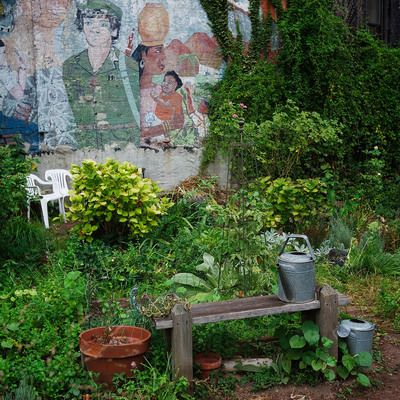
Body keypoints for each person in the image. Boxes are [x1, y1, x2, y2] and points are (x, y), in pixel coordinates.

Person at [63, 0, 140, 149]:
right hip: (85, 146)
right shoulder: (70, 66)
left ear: (114, 30)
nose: (94, 29)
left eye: (103, 24)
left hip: (121, 145)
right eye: (89, 23)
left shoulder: (129, 66)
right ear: (83, 27)